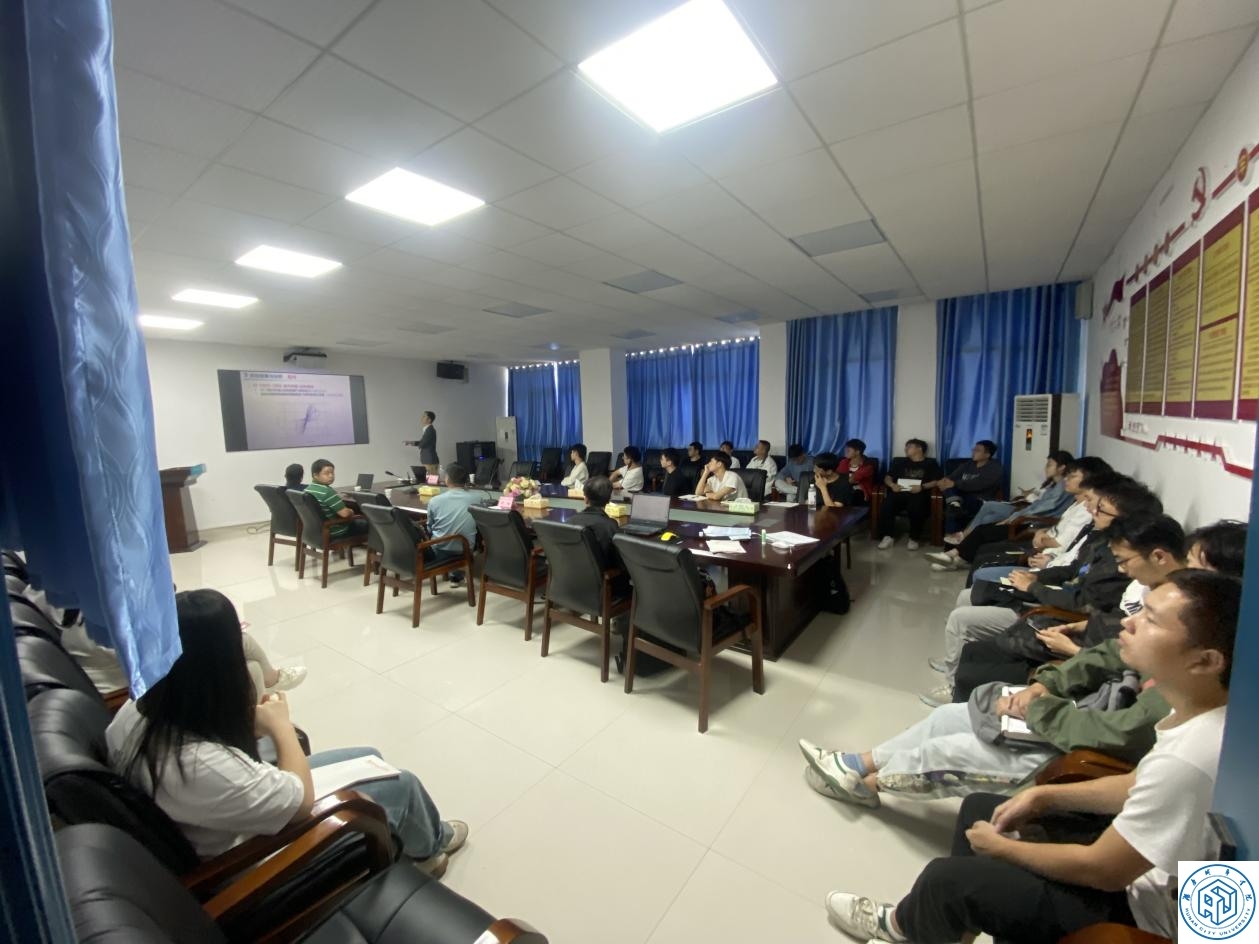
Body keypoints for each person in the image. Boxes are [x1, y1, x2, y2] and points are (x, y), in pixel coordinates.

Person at [820, 569, 1240, 944]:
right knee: (980, 808)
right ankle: (943, 928)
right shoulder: (1197, 712)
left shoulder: (1189, 758)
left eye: (1150, 620)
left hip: (1143, 915)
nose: (1129, 622)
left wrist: (1003, 850)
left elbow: (1104, 870)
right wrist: (1044, 796)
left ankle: (906, 927)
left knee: (946, 880)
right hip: (1144, 875)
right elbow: (1136, 784)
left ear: (1204, 661)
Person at [107, 589, 467, 876]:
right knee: (402, 783)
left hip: (230, 814)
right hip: (256, 854)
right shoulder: (202, 766)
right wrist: (280, 726)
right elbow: (302, 802)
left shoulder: (134, 712)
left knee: (371, 756)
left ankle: (410, 833)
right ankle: (431, 851)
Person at [919, 476, 1161, 706]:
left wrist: (1034, 586)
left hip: (1054, 611)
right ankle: (954, 665)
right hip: (1054, 598)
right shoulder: (1099, 540)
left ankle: (954, 683)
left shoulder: (1119, 563)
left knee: (962, 618)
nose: (1092, 511)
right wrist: (1035, 577)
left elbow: (1084, 603)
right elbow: (1072, 570)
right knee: (970, 595)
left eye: (1100, 509)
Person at [950, 513, 1188, 702]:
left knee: (974, 671)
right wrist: (1078, 626)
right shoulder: (1143, 584)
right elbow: (1114, 617)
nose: (1121, 569)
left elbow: (1134, 665)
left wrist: (1073, 651)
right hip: (1083, 641)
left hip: (1086, 663)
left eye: (1123, 561)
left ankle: (970, 717)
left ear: (1159, 557)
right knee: (974, 651)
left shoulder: (1175, 605)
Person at [935, 456, 1111, 573]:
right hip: (1032, 522)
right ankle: (958, 555)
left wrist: (1036, 530)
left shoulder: (1086, 510)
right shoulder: (1074, 500)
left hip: (1032, 527)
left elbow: (1060, 536)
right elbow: (1054, 520)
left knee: (985, 528)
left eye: (1072, 476)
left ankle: (957, 553)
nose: (1067, 479)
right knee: (986, 521)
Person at [943, 450, 1074, 545]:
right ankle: (964, 543)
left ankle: (963, 537)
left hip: (1032, 518)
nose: (1045, 468)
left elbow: (1045, 507)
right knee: (988, 517)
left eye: (1049, 464)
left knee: (989, 506)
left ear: (1062, 467)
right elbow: (1041, 503)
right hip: (1025, 511)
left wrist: (1017, 515)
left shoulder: (1063, 486)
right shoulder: (1054, 485)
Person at [876, 439, 943, 550]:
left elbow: (937, 480)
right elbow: (888, 477)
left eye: (909, 447)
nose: (906, 449)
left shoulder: (930, 463)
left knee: (917, 506)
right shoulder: (900, 462)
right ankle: (888, 536)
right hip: (900, 491)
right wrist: (892, 485)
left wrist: (922, 487)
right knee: (887, 504)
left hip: (919, 493)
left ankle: (914, 538)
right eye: (906, 447)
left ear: (919, 448)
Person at [423, 463, 480, 583]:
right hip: (466, 548)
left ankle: (454, 572)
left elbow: (429, 527)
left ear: (447, 479)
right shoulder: (477, 498)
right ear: (466, 480)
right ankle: (457, 572)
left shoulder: (434, 501)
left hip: (439, 549)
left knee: (432, 532)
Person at [938, 440, 1004, 532]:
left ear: (987, 455)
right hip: (960, 496)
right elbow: (951, 477)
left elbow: (979, 484)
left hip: (979, 499)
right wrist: (943, 481)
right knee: (954, 505)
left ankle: (952, 536)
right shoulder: (968, 464)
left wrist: (955, 484)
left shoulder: (995, 468)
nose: (973, 452)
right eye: (974, 449)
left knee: (954, 505)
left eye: (977, 450)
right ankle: (954, 504)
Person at [304, 459, 368, 538]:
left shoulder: (308, 489)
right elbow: (345, 514)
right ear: (315, 475)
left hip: (317, 531)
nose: (331, 476)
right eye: (327, 473)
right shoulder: (327, 491)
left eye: (332, 473)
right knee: (369, 522)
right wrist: (352, 511)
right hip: (336, 531)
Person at [834, 439, 876, 506]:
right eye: (846, 449)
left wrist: (843, 480)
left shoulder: (868, 465)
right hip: (844, 489)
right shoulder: (844, 462)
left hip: (861, 492)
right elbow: (836, 476)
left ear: (858, 452)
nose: (846, 452)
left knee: (853, 494)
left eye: (849, 450)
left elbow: (852, 480)